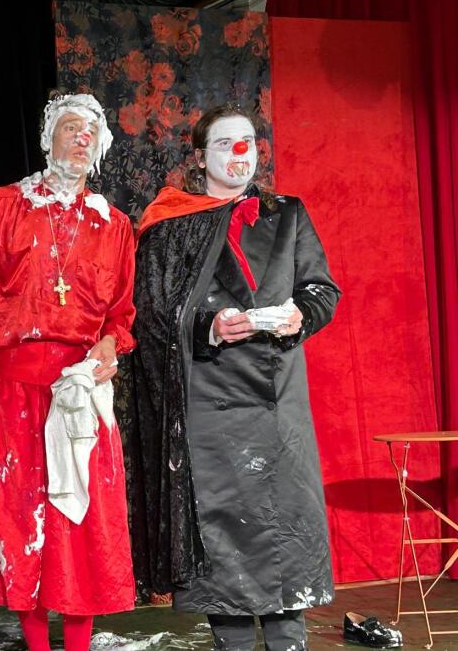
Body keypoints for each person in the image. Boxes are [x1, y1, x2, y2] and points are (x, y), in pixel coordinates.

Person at [124, 104, 340, 650]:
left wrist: (299, 316)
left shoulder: (287, 213)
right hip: (211, 404)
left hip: (277, 400)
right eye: (225, 143)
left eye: (247, 140)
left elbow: (322, 289)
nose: (240, 152)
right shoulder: (170, 224)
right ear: (200, 158)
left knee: (286, 534)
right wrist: (209, 327)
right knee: (227, 547)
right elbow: (148, 315)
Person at [0, 93, 136, 651]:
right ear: (47, 137)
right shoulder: (2, 205)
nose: (81, 137)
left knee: (81, 527)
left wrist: (110, 343)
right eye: (70, 126)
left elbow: (121, 315)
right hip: (9, 389)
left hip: (78, 392)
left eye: (91, 130)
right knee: (23, 520)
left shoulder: (114, 224)